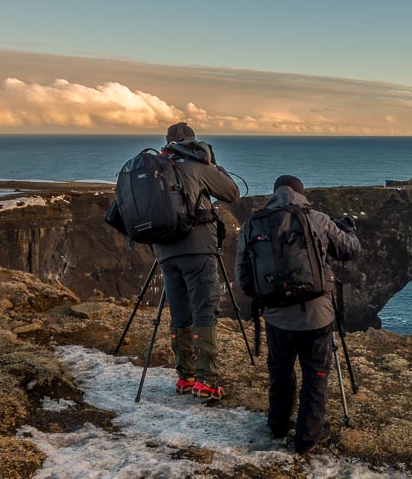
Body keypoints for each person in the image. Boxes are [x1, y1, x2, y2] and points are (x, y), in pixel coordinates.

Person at [235, 175, 360, 455]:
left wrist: (270, 299)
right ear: (300, 194)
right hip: (317, 316)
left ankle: (278, 424)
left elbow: (243, 280)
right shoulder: (318, 219)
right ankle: (307, 437)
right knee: (315, 373)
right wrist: (348, 230)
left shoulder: (252, 225)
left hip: (276, 318)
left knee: (280, 371)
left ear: (275, 193)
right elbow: (350, 250)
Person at [154, 122, 240, 400]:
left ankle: (185, 377)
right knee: (203, 310)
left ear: (167, 141)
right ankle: (207, 380)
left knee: (179, 312)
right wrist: (214, 166)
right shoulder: (196, 165)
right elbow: (232, 193)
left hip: (166, 250)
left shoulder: (154, 167)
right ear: (192, 141)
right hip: (198, 249)